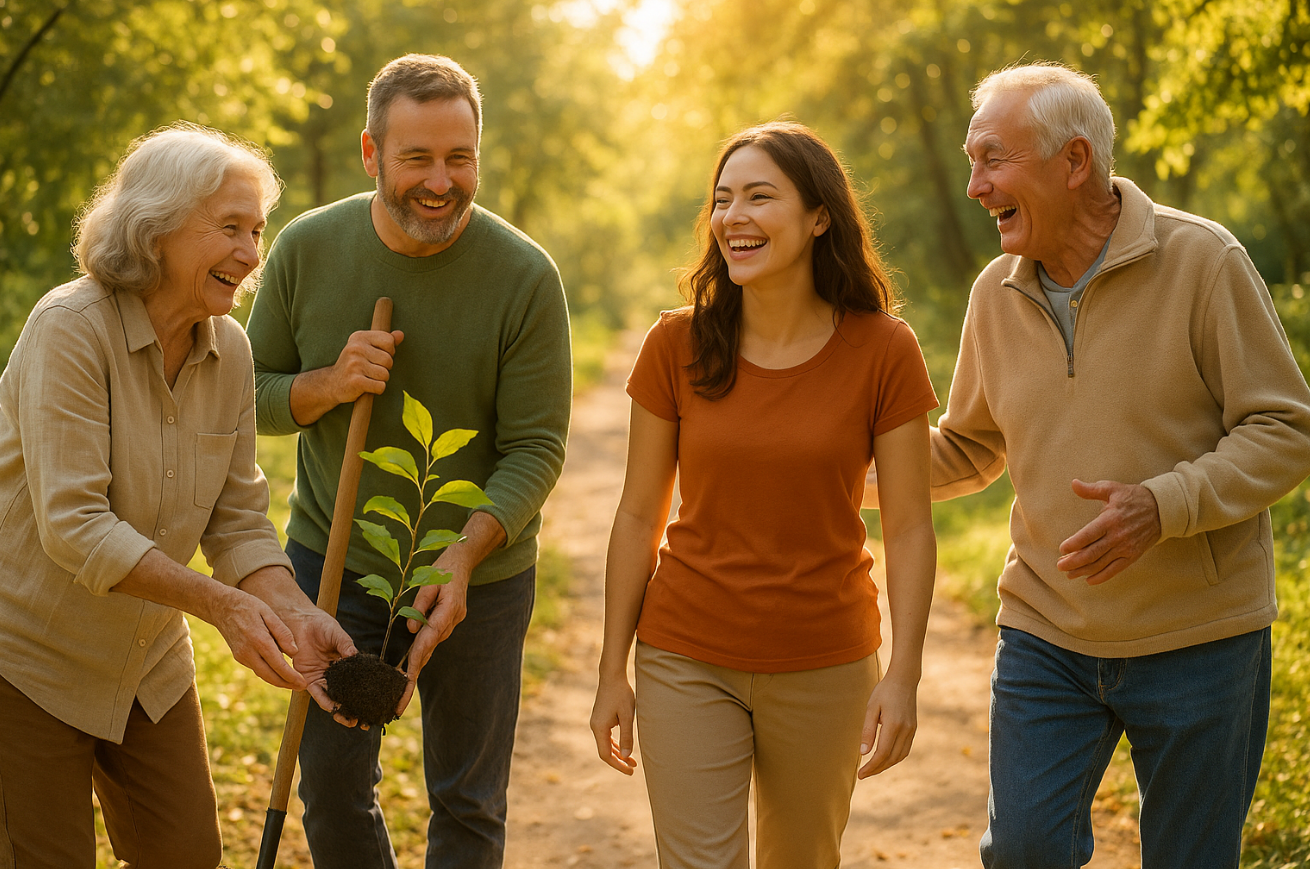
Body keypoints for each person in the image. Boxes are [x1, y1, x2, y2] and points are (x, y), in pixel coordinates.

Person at [904, 62, 1310, 867]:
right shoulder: (996, 293)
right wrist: (829, 471)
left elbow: (1285, 427)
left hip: (1200, 635)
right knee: (1022, 849)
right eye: (971, 163)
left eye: (992, 160)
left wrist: (1165, 504)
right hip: (1046, 630)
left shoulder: (1204, 263)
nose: (974, 187)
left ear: (1075, 161)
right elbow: (971, 445)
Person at [244, 54, 571, 869]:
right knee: (330, 786)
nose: (441, 180)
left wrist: (463, 556)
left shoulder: (525, 276)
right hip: (335, 559)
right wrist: (325, 383)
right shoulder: (306, 248)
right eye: (416, 157)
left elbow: (537, 446)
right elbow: (244, 395)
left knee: (467, 799)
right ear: (370, 154)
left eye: (459, 157)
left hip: (481, 579)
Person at [0, 123, 357, 868]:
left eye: (256, 231)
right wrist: (222, 605)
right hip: (27, 659)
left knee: (187, 854)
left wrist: (292, 611)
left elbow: (237, 521)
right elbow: (75, 526)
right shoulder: (69, 329)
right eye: (230, 228)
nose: (252, 254)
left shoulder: (231, 352)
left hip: (144, 663)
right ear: (156, 229)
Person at [589, 121, 939, 869]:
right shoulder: (673, 345)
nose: (733, 217)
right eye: (722, 200)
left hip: (827, 659)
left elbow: (908, 526)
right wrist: (611, 666)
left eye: (759, 196)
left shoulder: (885, 349)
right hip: (686, 652)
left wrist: (904, 674)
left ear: (819, 217)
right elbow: (637, 514)